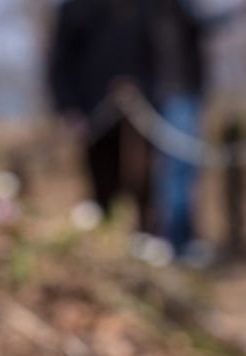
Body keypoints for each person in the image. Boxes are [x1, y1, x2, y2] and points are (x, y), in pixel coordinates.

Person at [48, 0, 160, 244]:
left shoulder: (144, 8)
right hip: (93, 111)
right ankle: (104, 241)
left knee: (143, 176)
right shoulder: (75, 9)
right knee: (102, 179)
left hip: (141, 109)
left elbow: (158, 56)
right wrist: (67, 107)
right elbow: (59, 61)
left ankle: (146, 235)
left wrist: (148, 91)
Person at [149, 0, 246, 263]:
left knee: (183, 169)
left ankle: (180, 240)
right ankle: (176, 241)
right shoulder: (164, 8)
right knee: (178, 168)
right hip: (176, 91)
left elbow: (204, 23)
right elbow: (206, 23)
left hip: (179, 91)